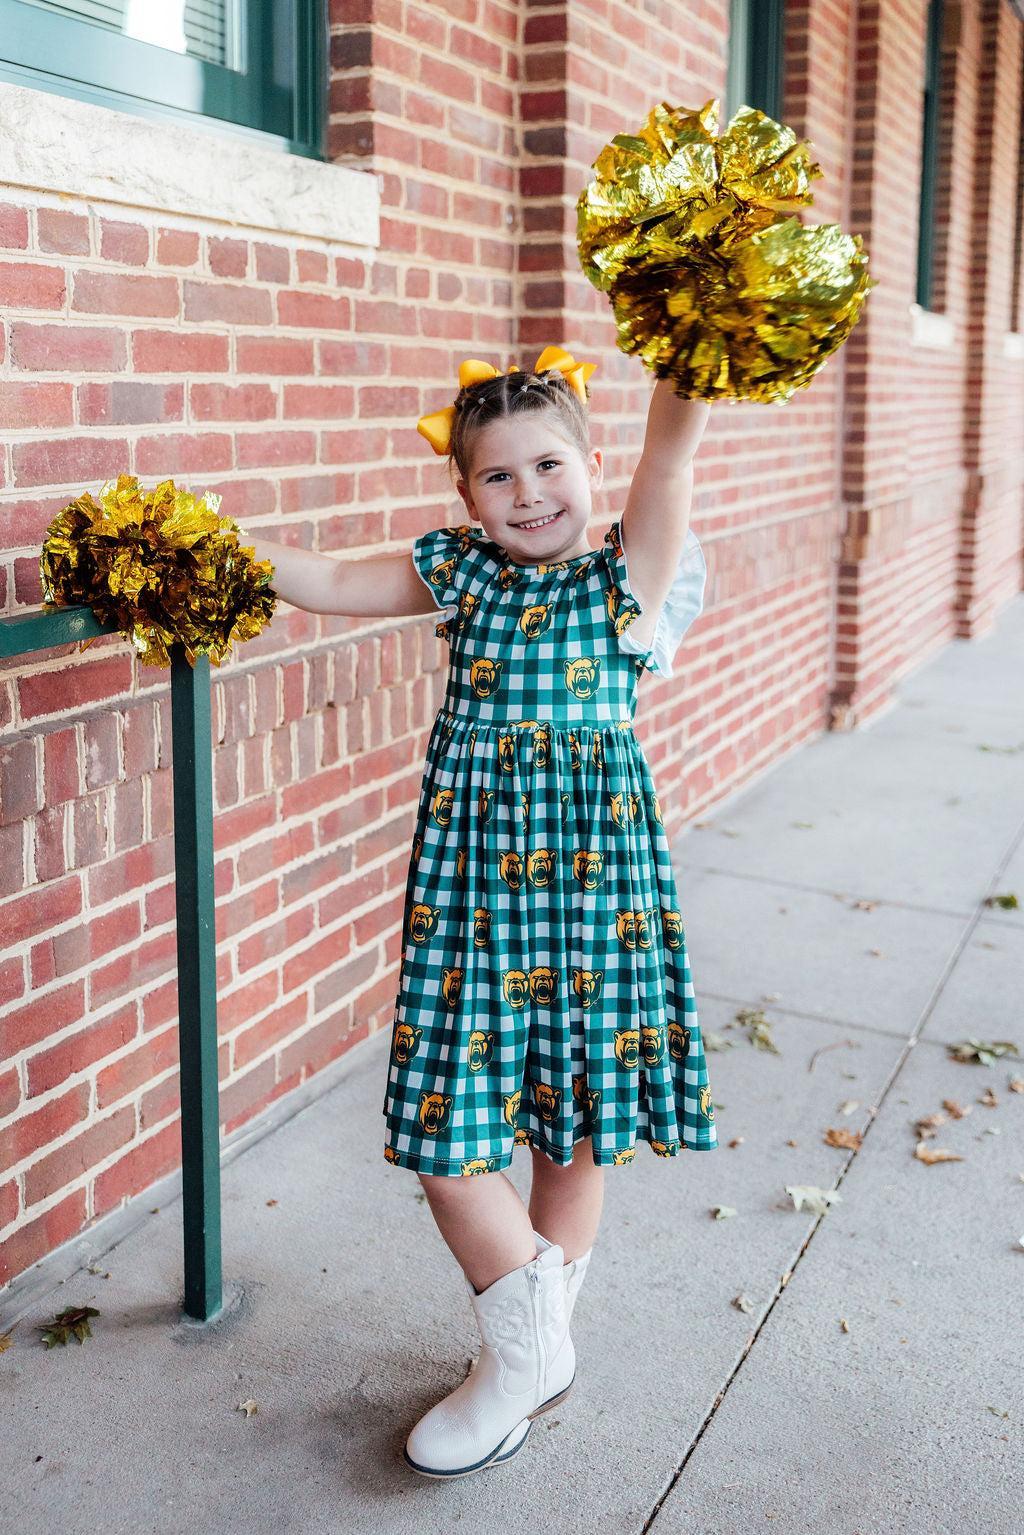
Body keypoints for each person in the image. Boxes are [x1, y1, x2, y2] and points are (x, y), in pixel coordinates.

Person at [248, 343, 718, 1480]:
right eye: (497, 475)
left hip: (595, 894)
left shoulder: (631, 574)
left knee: (574, 1120)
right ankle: (534, 1348)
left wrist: (699, 341)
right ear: (464, 494)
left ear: (590, 465)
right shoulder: (459, 572)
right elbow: (331, 578)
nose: (529, 493)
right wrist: (213, 550)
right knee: (444, 1129)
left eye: (549, 465)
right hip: (471, 895)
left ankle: (520, 1361)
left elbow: (670, 456)